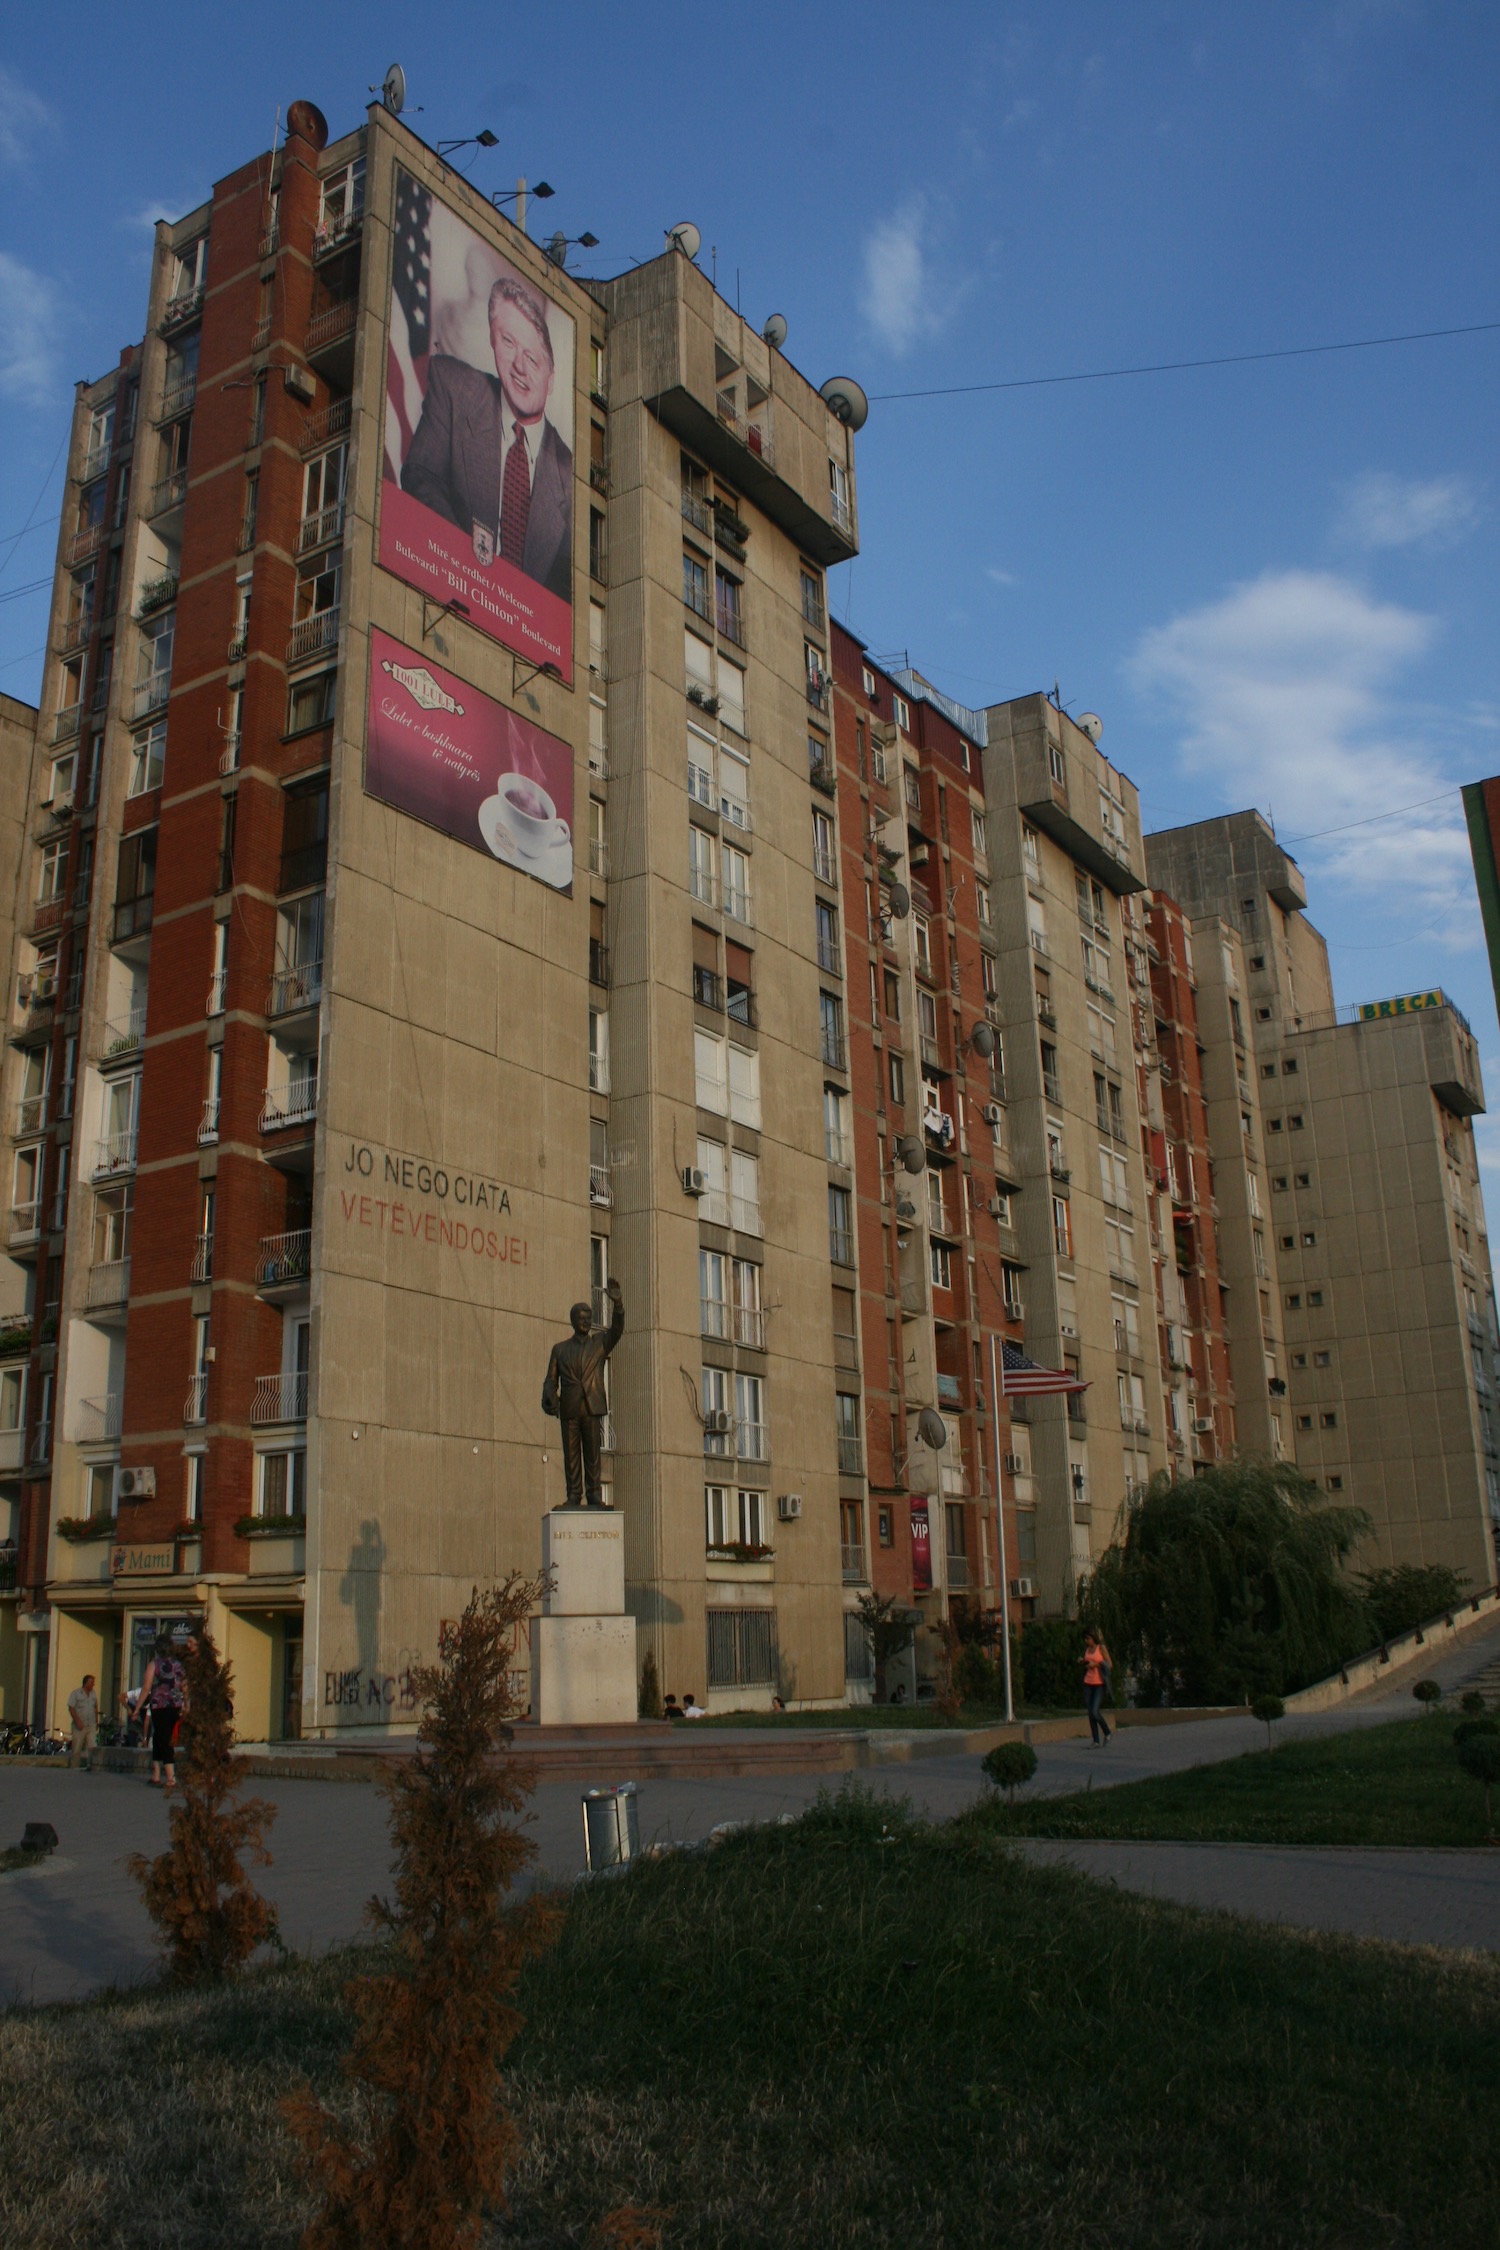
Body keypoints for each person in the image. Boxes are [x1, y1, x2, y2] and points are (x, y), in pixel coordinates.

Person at [401, 272, 573, 601]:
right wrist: (467, 566)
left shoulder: (568, 472)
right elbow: (421, 474)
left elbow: (564, 585)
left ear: (551, 379)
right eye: (508, 343)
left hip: (524, 634)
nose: (520, 366)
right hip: (449, 593)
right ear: (492, 342)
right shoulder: (455, 387)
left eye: (533, 357)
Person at [542, 1278, 625, 1508]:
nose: (586, 1321)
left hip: (592, 1406)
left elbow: (617, 1330)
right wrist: (549, 1394)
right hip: (568, 1407)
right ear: (573, 1321)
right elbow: (550, 1379)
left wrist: (618, 1306)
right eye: (582, 1318)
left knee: (592, 1455)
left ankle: (594, 1495)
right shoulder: (560, 1349)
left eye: (589, 1318)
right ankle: (574, 1496)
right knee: (571, 1456)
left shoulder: (600, 1343)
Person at [137, 1638, 188, 1790]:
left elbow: (146, 1688)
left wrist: (137, 1707)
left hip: (160, 1705)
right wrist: (187, 1704)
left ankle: (171, 1778)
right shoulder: (179, 1665)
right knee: (159, 1737)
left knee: (164, 1739)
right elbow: (185, 1686)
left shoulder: (154, 1664)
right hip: (176, 1706)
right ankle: (156, 1775)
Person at [1082, 1633, 1114, 1745]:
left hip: (1099, 1683)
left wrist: (1096, 1665)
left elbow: (1109, 1664)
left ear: (1093, 1638)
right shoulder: (1086, 1650)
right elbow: (1087, 1663)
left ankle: (1107, 1731)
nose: (1087, 1641)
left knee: (1095, 1711)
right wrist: (1083, 1662)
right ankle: (1095, 1740)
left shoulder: (1101, 1648)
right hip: (1088, 1682)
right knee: (1090, 1712)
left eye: (1088, 1638)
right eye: (1085, 1639)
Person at [67, 1673, 98, 1771]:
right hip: (79, 1724)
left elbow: (95, 1707)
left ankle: (91, 1766)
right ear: (86, 1683)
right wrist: (77, 1721)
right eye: (91, 1682)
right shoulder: (76, 1693)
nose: (93, 1684)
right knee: (77, 1747)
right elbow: (71, 1708)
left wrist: (96, 1721)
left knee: (92, 1746)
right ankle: (74, 1766)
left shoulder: (93, 1694)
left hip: (91, 1724)